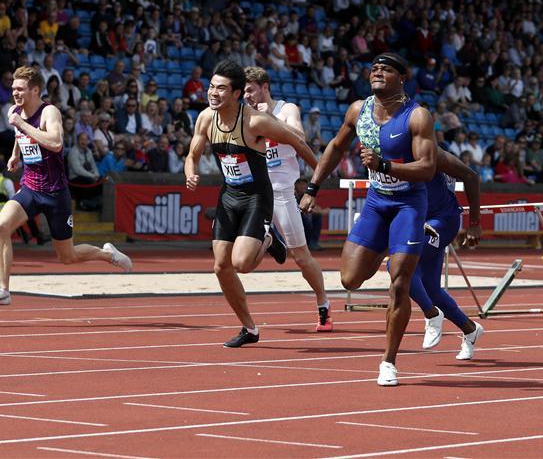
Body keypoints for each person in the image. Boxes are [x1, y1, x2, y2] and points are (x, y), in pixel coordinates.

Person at [300, 53, 436, 386]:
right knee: (349, 279)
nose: (377, 72)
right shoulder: (357, 109)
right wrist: (314, 186)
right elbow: (335, 146)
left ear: (401, 77)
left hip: (409, 204)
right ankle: (387, 249)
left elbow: (428, 168)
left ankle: (388, 362)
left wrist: (385, 165)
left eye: (386, 69)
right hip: (377, 202)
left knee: (400, 283)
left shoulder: (417, 116)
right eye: (374, 68)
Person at [184, 60, 317, 347]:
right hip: (229, 197)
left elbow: (299, 144)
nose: (213, 93)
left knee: (241, 264)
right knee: (221, 267)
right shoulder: (207, 118)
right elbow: (192, 153)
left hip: (258, 197)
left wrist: (316, 184)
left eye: (221, 88)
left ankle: (267, 238)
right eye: (211, 87)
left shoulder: (256, 121)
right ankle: (250, 329)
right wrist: (190, 172)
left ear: (236, 93)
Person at [0, 66, 133, 308]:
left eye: (20, 89)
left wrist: (21, 123)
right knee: (2, 226)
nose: (15, 93)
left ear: (35, 90)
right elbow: (21, 135)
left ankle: (107, 254)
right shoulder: (15, 111)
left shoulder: (49, 112)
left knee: (67, 257)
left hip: (55, 193)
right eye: (13, 89)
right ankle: (3, 289)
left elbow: (56, 143)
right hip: (30, 187)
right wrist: (15, 154)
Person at [243, 66, 331, 331]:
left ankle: (323, 304)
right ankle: (268, 239)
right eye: (243, 91)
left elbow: (299, 138)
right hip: (254, 193)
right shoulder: (244, 115)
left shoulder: (286, 108)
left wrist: (269, 118)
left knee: (301, 257)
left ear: (264, 86)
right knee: (241, 262)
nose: (246, 96)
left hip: (282, 192)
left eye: (250, 90)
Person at [411, 149, 485, 359]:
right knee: (431, 289)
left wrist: (474, 223)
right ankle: (470, 329)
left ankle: (432, 315)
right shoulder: (392, 152)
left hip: (442, 221)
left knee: (398, 267)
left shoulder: (433, 152)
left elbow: (471, 175)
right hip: (416, 220)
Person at [0, 158, 44, 245]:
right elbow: (14, 200)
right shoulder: (6, 182)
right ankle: (37, 237)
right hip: (7, 214)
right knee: (28, 213)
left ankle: (25, 236)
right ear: (4, 169)